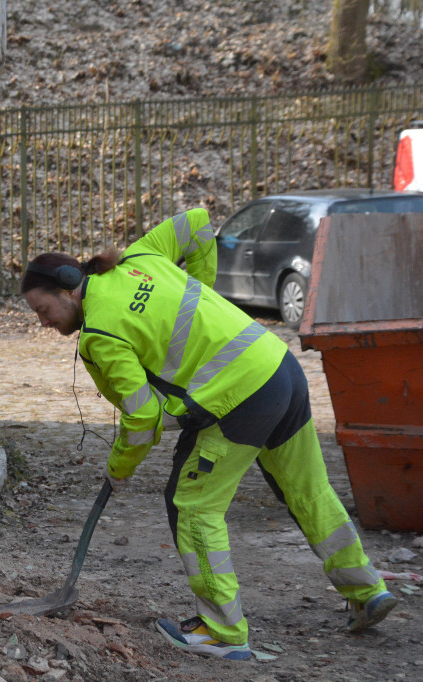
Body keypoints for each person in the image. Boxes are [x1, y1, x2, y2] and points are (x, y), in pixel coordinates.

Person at [20, 208, 396, 661]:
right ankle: (367, 590)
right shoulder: (140, 257)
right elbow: (197, 222)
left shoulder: (99, 332)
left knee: (193, 505)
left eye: (43, 310)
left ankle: (222, 630)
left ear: (68, 288)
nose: (44, 322)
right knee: (308, 488)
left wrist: (118, 470)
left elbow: (143, 418)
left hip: (238, 399)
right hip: (278, 367)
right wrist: (204, 293)